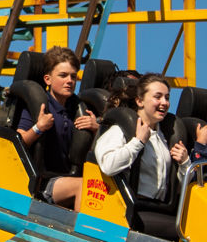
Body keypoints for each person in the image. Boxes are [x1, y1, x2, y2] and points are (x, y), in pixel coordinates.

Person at [94, 73, 207, 202]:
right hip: (126, 209)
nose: (164, 103)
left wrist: (184, 163)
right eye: (157, 97)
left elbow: (183, 188)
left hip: (157, 210)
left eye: (167, 97)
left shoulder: (165, 137)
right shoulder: (121, 130)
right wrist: (138, 142)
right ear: (139, 101)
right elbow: (108, 166)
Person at [17, 46, 98, 211]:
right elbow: (17, 144)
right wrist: (38, 128)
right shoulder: (37, 106)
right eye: (63, 75)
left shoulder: (77, 110)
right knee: (84, 186)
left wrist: (97, 130)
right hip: (42, 183)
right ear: (48, 79)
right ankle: (81, 235)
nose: (69, 81)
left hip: (68, 179)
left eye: (73, 77)